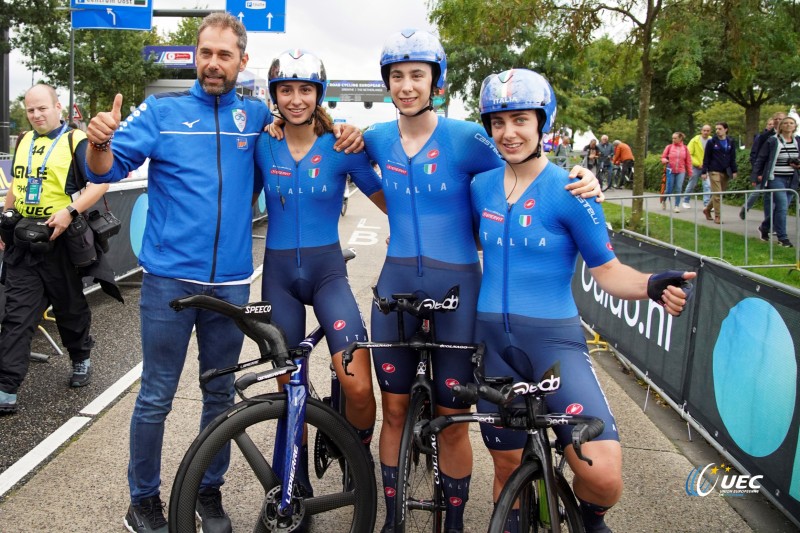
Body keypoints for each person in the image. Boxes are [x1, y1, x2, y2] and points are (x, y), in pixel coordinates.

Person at [84, 14, 363, 533]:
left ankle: (207, 494)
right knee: (156, 395)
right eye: (205, 53)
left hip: (231, 281)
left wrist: (344, 130)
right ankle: (142, 500)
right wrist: (98, 141)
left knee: (218, 395)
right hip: (169, 282)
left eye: (224, 55)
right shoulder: (162, 113)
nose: (213, 64)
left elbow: (303, 130)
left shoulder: (259, 118)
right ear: (196, 54)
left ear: (241, 61)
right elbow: (105, 169)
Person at [363, 29, 603, 533]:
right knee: (395, 409)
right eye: (397, 77)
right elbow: (323, 142)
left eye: (417, 76)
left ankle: (453, 523)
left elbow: (523, 174)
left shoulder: (470, 136)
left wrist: (584, 179)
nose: (407, 86)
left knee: (452, 421)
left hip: (459, 294)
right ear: (387, 84)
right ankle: (391, 519)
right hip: (395, 288)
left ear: (436, 82)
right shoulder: (376, 137)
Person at [471, 68, 695, 533]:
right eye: (498, 122)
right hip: (492, 346)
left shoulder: (573, 190)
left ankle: (589, 521)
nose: (508, 133)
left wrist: (652, 285)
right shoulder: (480, 187)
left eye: (520, 120)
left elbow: (609, 273)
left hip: (554, 346)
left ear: (541, 124)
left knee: (603, 475)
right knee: (506, 468)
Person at [255, 49, 386, 512]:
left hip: (328, 273)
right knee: (288, 390)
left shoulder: (341, 147)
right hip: (278, 280)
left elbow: (392, 201)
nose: (295, 99)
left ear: (318, 95)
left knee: (357, 386)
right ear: (274, 95)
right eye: (286, 90)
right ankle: (294, 484)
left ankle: (358, 456)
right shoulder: (262, 142)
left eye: (305, 89)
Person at [0, 84, 110, 414]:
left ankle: (81, 357)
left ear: (58, 107)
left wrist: (69, 212)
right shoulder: (23, 140)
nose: (36, 115)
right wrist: (3, 222)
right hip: (23, 240)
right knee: (16, 315)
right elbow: (17, 188)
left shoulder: (75, 141)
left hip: (60, 238)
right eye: (30, 110)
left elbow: (102, 182)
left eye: (42, 108)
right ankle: (6, 386)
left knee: (69, 308)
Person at [753, 115, 800, 248]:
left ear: (795, 126)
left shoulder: (797, 141)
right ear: (781, 127)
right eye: (786, 123)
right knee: (783, 207)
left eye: (791, 123)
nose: (789, 125)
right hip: (776, 178)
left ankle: (764, 227)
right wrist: (756, 175)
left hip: (792, 178)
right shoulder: (773, 140)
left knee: (780, 208)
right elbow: (761, 158)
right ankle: (782, 238)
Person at [742, 112, 786, 219]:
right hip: (768, 172)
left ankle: (771, 224)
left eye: (781, 119)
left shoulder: (793, 138)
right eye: (776, 119)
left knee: (781, 201)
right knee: (765, 195)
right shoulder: (764, 137)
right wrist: (759, 172)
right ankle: (768, 223)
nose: (778, 121)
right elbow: (756, 155)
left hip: (785, 173)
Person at [701, 122, 738, 224]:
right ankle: (718, 216)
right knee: (717, 194)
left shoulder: (730, 141)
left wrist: (734, 170)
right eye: (716, 129)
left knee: (719, 194)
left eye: (720, 128)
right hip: (714, 170)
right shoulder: (712, 142)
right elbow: (706, 157)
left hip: (725, 170)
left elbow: (732, 157)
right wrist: (704, 171)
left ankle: (707, 209)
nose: (717, 131)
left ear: (726, 129)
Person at [681, 124, 712, 209]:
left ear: (710, 131)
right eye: (704, 130)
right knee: (692, 184)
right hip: (695, 166)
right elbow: (689, 154)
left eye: (707, 131)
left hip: (706, 167)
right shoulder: (695, 140)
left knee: (707, 185)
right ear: (701, 131)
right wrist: (697, 164)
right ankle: (686, 201)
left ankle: (706, 204)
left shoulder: (712, 140)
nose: (705, 132)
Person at [660, 132, 692, 212]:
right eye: (672, 138)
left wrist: (690, 172)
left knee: (678, 188)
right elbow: (663, 157)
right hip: (670, 170)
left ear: (680, 138)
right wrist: (665, 160)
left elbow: (688, 161)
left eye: (675, 138)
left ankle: (676, 206)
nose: (673, 140)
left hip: (681, 171)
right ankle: (664, 200)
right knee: (669, 189)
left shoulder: (685, 148)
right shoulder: (669, 147)